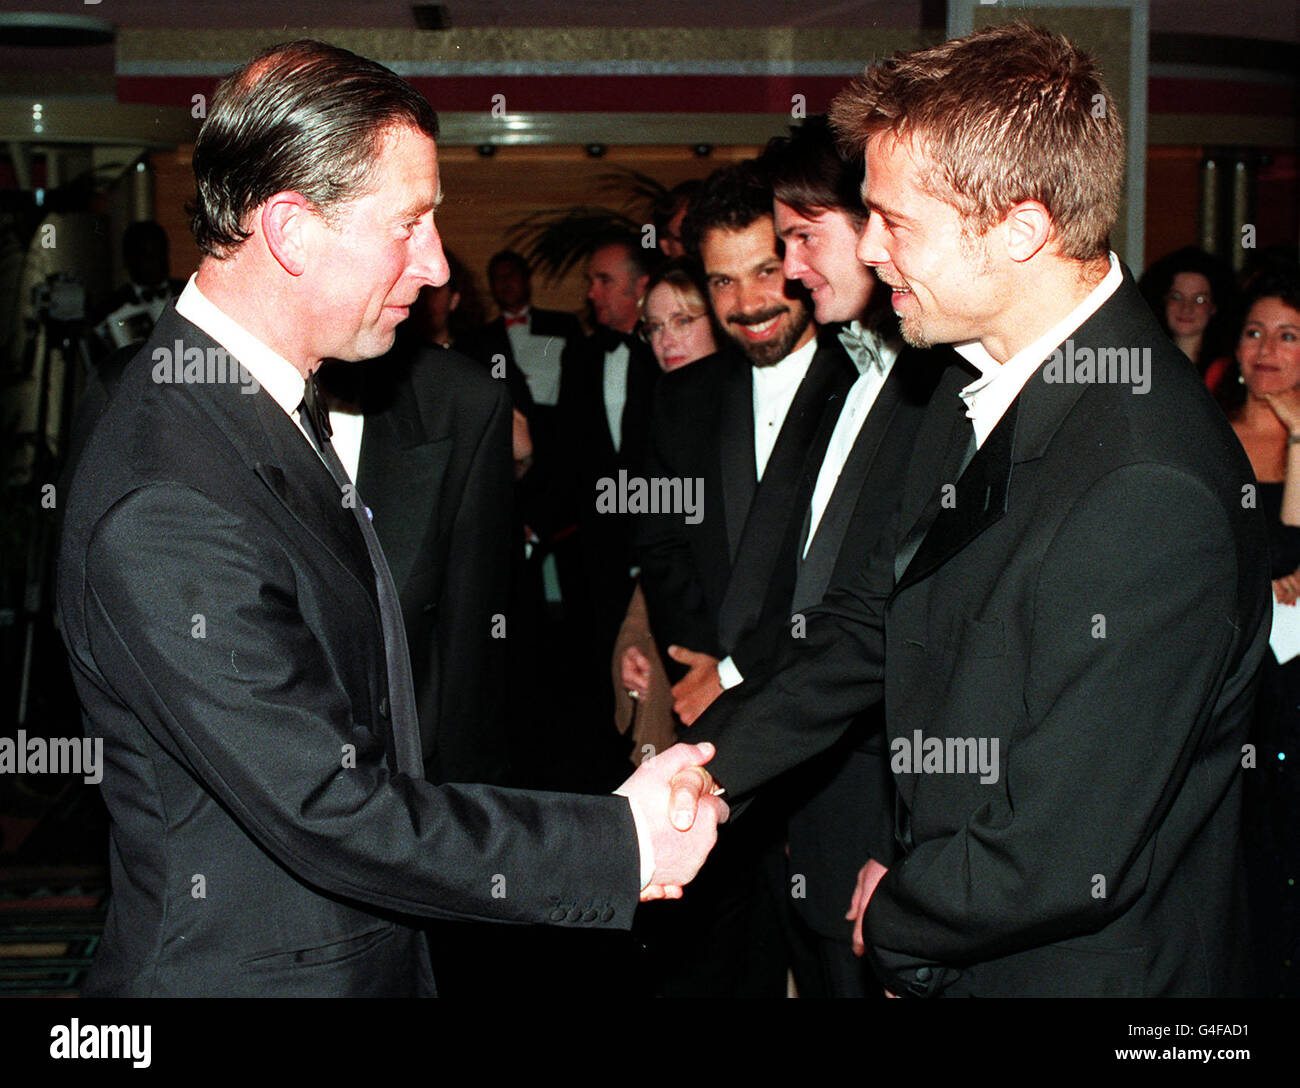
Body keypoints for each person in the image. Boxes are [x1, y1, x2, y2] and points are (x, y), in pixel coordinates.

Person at [55, 38, 725, 998]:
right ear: (289, 229)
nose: (437, 262)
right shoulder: (169, 492)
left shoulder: (260, 398)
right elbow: (325, 805)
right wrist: (615, 843)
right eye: (407, 224)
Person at [679, 22, 1269, 998]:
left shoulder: (1145, 483)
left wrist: (898, 906)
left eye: (894, 222)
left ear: (1021, 228)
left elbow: (1058, 848)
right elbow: (874, 620)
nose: (867, 250)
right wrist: (706, 770)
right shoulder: (990, 377)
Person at [1213, 268, 1300, 996]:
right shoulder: (1204, 429)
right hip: (1232, 666)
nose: (1266, 348)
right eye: (1253, 331)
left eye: (1289, 335)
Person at [615, 258, 719, 763]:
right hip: (679, 660)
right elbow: (659, 555)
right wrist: (636, 641)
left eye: (682, 322)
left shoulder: (752, 416)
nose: (665, 341)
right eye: (654, 327)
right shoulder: (665, 410)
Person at [1138, 245, 1235, 384]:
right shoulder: (1142, 366)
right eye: (1176, 297)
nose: (1186, 308)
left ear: (1214, 307)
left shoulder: (1225, 373)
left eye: (1199, 299)